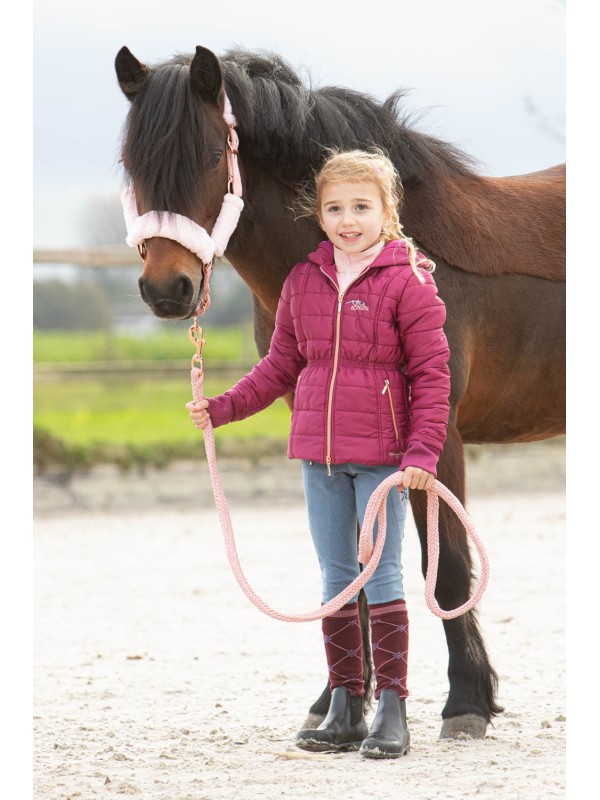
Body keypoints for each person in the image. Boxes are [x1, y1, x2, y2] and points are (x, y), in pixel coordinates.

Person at [186, 149, 451, 759]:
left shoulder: (409, 279)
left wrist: (423, 454)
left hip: (384, 457)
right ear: (318, 214)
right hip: (320, 457)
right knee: (335, 577)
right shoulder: (304, 281)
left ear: (388, 210)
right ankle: (344, 701)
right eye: (335, 208)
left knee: (381, 577)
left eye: (361, 206)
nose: (348, 219)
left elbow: (432, 374)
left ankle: (392, 705)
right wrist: (222, 408)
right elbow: (281, 364)